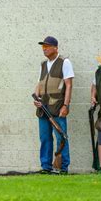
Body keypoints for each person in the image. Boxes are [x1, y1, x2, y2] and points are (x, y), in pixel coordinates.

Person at [33, 36, 74, 175]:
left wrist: (66, 105)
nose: (44, 49)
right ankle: (46, 167)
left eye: (47, 46)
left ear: (56, 48)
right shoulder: (43, 64)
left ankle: (63, 168)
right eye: (43, 47)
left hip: (57, 107)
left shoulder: (64, 62)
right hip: (43, 107)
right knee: (44, 138)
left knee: (61, 138)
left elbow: (69, 85)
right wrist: (36, 97)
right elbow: (39, 83)